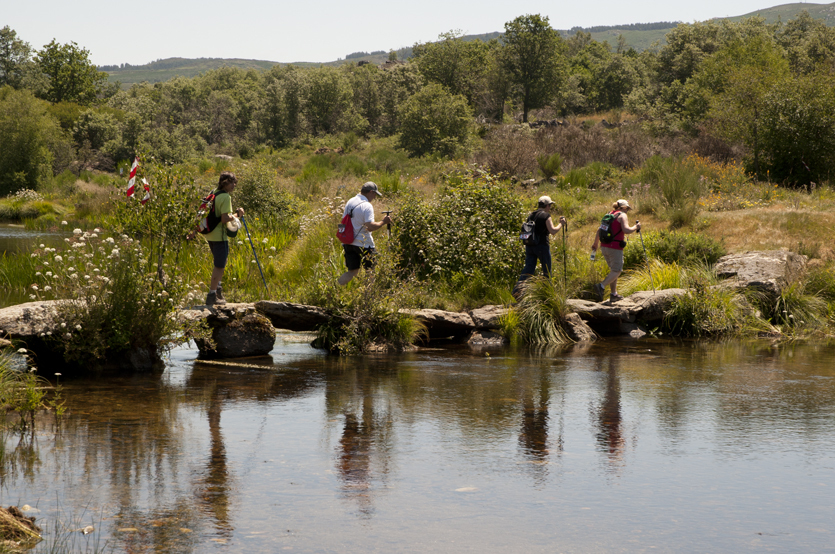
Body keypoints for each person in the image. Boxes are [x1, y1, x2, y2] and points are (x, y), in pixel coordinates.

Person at [190, 172, 244, 306]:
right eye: (232, 182)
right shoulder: (225, 197)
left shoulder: (214, 192)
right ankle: (212, 295)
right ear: (225, 182)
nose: (234, 185)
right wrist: (238, 215)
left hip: (209, 234)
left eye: (235, 182)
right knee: (219, 266)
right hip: (219, 236)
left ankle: (218, 292)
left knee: (221, 261)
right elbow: (225, 218)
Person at [338, 181, 392, 286]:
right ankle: (368, 298)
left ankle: (333, 289)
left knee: (352, 272)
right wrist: (383, 222)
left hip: (348, 243)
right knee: (370, 272)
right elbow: (370, 227)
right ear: (371, 192)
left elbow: (342, 222)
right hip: (364, 244)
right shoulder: (367, 206)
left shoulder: (350, 201)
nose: (375, 197)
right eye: (375, 194)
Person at [513, 196, 567, 297]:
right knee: (547, 271)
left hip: (530, 245)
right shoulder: (546, 215)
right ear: (547, 205)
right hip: (542, 246)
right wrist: (561, 224)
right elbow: (553, 231)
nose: (550, 208)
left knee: (528, 269)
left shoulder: (531, 215)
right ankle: (547, 295)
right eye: (550, 205)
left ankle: (517, 291)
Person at [591, 199, 641, 302]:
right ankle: (601, 286)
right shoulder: (622, 215)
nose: (627, 211)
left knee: (613, 270)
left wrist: (595, 243)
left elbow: (599, 230)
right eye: (627, 209)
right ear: (624, 208)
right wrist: (636, 227)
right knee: (617, 270)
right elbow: (626, 230)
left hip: (604, 246)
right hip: (615, 247)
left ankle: (613, 294)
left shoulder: (609, 214)